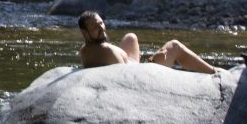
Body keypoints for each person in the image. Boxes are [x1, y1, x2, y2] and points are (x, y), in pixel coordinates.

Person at [78, 11, 218, 73]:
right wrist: (152, 62)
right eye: (95, 27)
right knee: (174, 46)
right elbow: (127, 78)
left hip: (131, 64)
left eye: (101, 23)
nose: (101, 28)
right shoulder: (106, 51)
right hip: (142, 73)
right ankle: (214, 72)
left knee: (130, 37)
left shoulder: (85, 50)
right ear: (85, 32)